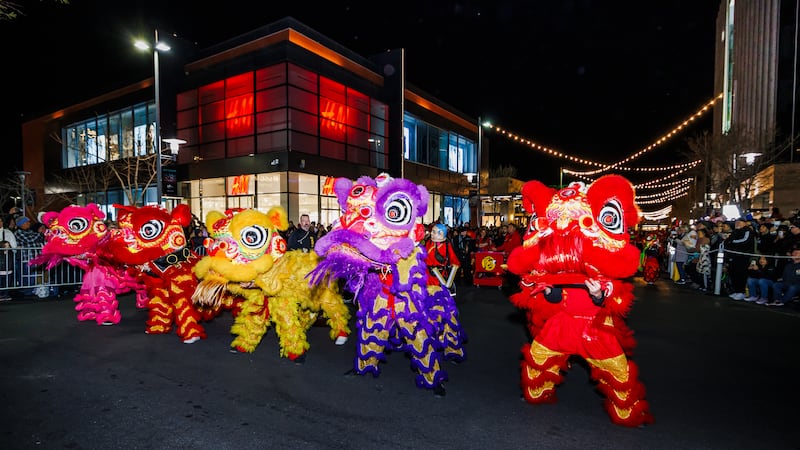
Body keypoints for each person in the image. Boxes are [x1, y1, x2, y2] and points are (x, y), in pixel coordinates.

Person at [724, 218, 756, 300]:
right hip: (733, 255)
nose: (737, 224)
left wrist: (732, 242)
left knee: (741, 274)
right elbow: (727, 241)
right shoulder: (735, 231)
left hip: (742, 256)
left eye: (739, 222)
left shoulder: (747, 231)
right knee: (733, 273)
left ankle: (741, 292)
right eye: (736, 222)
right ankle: (736, 291)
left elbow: (744, 241)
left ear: (744, 223)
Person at [424, 223, 460, 293]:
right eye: (432, 231)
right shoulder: (429, 242)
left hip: (439, 274)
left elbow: (454, 260)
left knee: (438, 294)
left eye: (434, 232)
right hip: (427, 273)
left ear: (441, 234)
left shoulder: (446, 245)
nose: (431, 233)